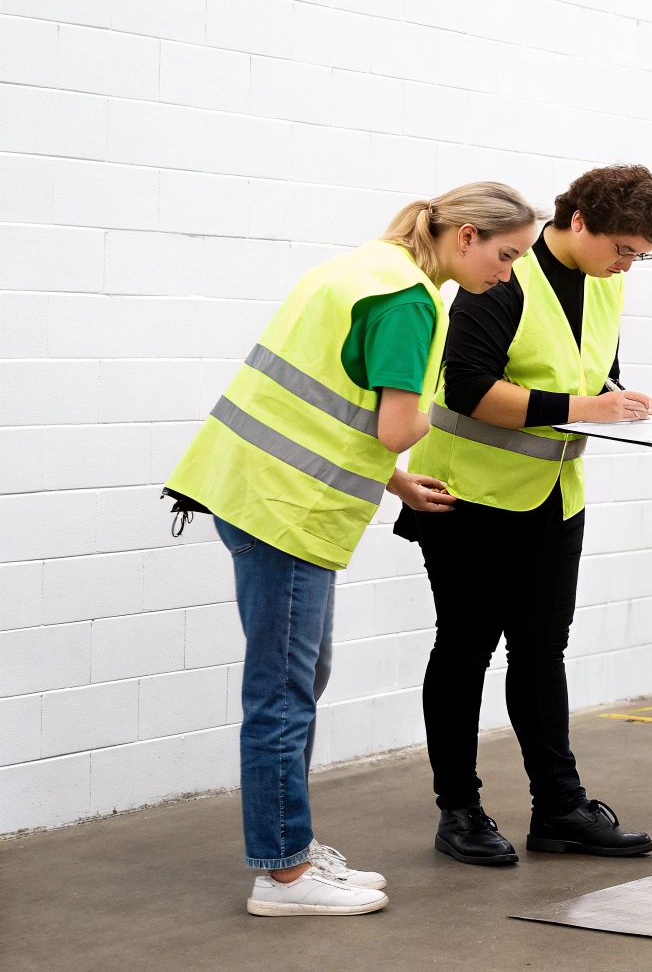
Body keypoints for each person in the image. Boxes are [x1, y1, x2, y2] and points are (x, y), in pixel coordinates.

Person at [162, 183, 543, 915]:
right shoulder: (408, 301)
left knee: (298, 678)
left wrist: (395, 482)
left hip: (252, 488)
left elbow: (340, 397)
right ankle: (282, 875)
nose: (509, 272)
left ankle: (292, 851)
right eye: (506, 254)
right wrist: (450, 402)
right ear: (466, 236)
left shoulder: (365, 267)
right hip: (287, 508)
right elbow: (396, 423)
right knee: (283, 693)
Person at [397, 164, 652, 867]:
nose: (628, 264)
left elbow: (589, 378)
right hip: (467, 497)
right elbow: (466, 389)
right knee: (465, 650)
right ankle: (458, 809)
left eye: (640, 255)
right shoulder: (503, 278)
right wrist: (589, 408)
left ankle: (558, 808)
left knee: (541, 653)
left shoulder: (607, 283)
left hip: (553, 497)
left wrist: (637, 401)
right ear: (579, 219)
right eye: (623, 247)